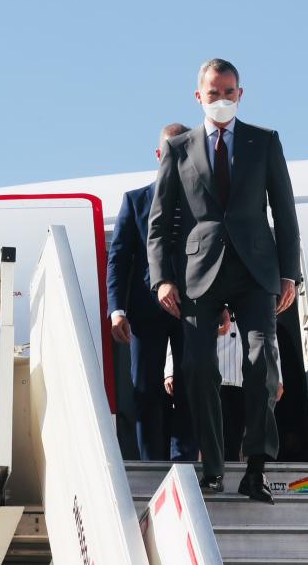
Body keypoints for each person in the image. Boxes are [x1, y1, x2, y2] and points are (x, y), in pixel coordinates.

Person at [147, 58, 300, 504]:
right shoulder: (179, 148)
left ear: (240, 94)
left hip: (255, 270)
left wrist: (288, 272)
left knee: (261, 360)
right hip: (200, 273)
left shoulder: (265, 142)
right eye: (213, 94)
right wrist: (162, 280)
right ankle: (213, 467)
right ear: (199, 97)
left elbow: (285, 214)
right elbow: (159, 223)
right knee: (198, 369)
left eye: (229, 92)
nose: (221, 100)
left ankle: (255, 467)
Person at [106, 123, 197, 462]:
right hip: (146, 312)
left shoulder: (203, 203)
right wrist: (117, 310)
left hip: (193, 310)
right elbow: (118, 261)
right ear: (159, 155)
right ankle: (153, 465)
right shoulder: (136, 201)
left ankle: (184, 463)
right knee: (146, 390)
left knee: (191, 389)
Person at [164, 309, 285, 462]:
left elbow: (269, 333)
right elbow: (179, 330)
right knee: (199, 438)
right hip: (206, 374)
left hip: (240, 375)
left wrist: (277, 377)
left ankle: (228, 484)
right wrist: (171, 369)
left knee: (232, 442)